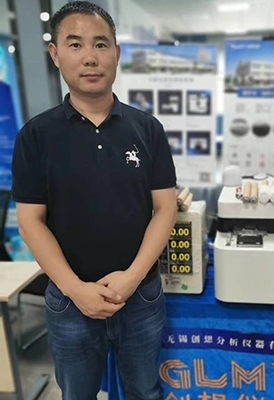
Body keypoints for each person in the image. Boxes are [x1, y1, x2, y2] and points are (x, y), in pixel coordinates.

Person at [11, 2, 177, 399]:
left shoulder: (147, 129)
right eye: (75, 44)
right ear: (55, 55)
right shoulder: (36, 136)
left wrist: (132, 278)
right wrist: (75, 289)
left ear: (116, 53)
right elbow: (30, 221)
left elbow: (165, 208)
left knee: (145, 392)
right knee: (77, 394)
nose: (90, 57)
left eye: (101, 44)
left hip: (141, 296)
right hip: (69, 301)